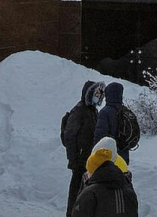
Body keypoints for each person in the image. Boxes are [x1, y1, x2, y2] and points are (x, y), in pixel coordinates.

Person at [64, 81, 106, 217]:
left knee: (86, 194)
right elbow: (69, 135)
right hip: (80, 160)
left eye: (99, 94)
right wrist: (73, 158)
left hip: (90, 160)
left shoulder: (94, 111)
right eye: (95, 93)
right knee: (76, 192)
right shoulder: (79, 110)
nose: (98, 96)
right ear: (89, 94)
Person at [72, 137, 137, 217]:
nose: (86, 174)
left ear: (94, 170)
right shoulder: (128, 189)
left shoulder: (90, 193)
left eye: (88, 170)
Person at [93, 82, 131, 164]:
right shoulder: (125, 111)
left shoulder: (105, 112)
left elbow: (99, 136)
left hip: (108, 158)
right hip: (123, 157)